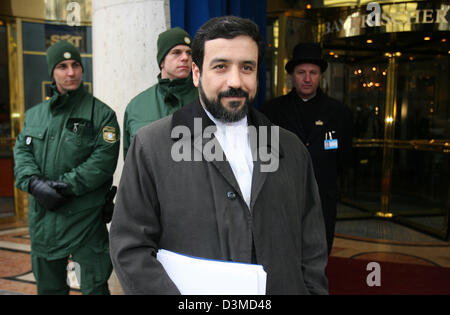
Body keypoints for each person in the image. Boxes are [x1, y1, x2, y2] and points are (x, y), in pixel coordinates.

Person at [110, 16, 328, 295]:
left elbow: (312, 241)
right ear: (197, 73)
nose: (235, 81)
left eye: (246, 67)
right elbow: (129, 248)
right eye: (221, 66)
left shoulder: (291, 148)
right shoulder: (151, 146)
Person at [14, 40, 120, 295]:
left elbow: (103, 160)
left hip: (85, 221)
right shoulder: (35, 115)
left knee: (94, 287)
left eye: (75, 65)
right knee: (49, 289)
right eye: (62, 66)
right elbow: (22, 152)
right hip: (44, 222)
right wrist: (34, 183)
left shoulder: (101, 114)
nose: (71, 72)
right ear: (52, 71)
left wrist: (67, 186)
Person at [261, 43, 353, 255]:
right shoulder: (271, 111)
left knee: (319, 250)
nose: (307, 78)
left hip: (323, 197)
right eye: (301, 72)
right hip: (282, 196)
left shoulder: (340, 113)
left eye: (313, 72)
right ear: (292, 76)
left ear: (321, 75)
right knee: (284, 252)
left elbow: (344, 158)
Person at [123, 27, 198, 158]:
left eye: (189, 53)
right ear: (162, 61)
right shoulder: (137, 106)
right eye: (176, 52)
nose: (185, 57)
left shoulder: (206, 99)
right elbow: (130, 161)